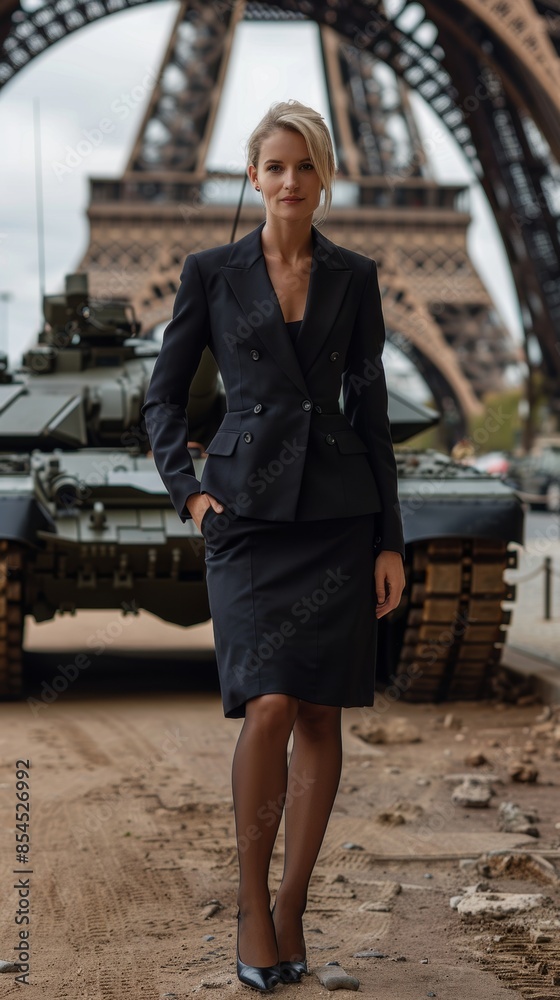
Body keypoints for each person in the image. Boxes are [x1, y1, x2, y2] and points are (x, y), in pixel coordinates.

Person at [141, 99, 406, 993]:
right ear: (253, 177)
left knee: (323, 714)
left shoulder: (355, 276)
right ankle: (252, 907)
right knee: (268, 708)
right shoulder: (209, 272)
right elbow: (163, 401)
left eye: (305, 166)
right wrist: (195, 501)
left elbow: (371, 416)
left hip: (337, 519)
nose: (290, 181)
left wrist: (389, 542)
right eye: (275, 166)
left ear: (324, 177)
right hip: (246, 521)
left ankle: (293, 903)